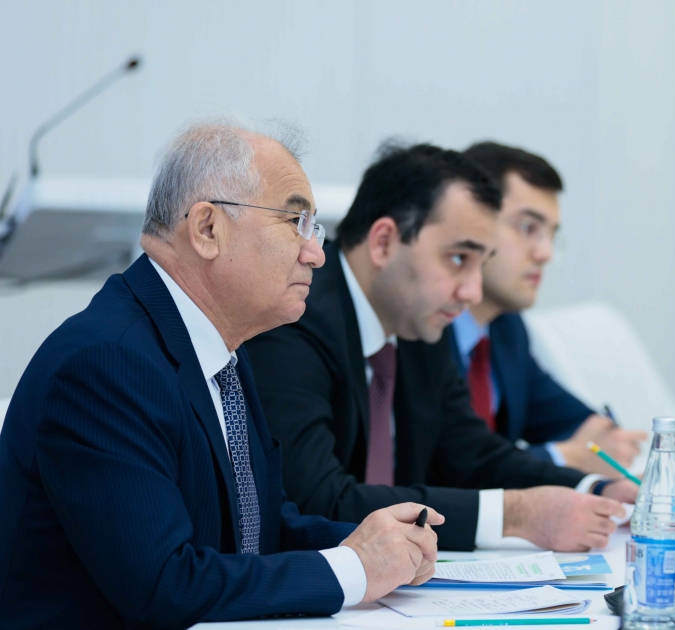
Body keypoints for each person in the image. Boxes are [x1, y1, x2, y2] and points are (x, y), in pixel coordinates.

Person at [0, 119, 443, 628]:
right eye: (295, 221)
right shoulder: (108, 364)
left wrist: (377, 544)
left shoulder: (218, 350)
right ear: (208, 229)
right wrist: (354, 568)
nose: (316, 252)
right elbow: (165, 585)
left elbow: (255, 530)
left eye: (315, 228)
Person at [245, 143, 638, 554]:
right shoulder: (296, 317)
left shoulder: (416, 320)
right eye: (459, 258)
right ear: (384, 242)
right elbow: (317, 500)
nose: (472, 292)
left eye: (482, 263)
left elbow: (472, 455)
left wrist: (595, 489)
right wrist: (514, 515)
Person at [449, 141, 647, 476]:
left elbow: (569, 421)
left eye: (551, 235)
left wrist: (602, 436)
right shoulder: (423, 328)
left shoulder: (506, 328)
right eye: (528, 227)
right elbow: (452, 467)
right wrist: (566, 457)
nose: (545, 253)